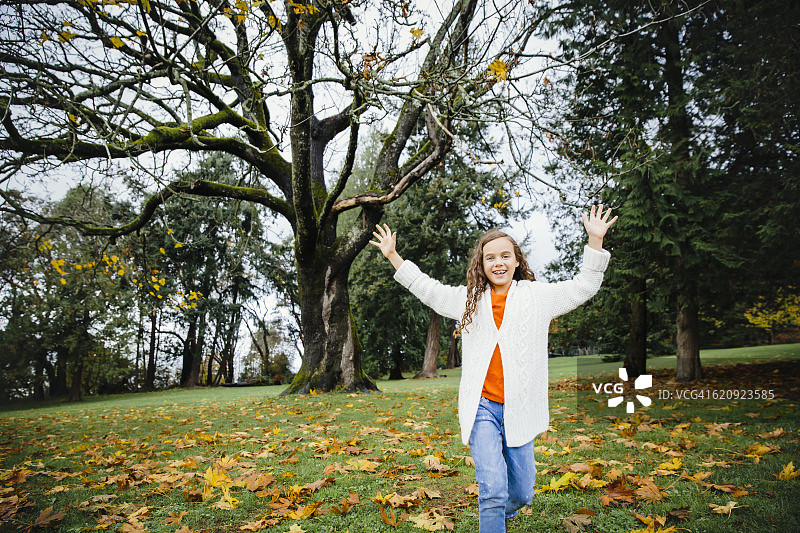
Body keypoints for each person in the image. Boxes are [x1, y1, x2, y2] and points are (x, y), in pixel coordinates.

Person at [369, 205, 618, 533]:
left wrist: (595, 242)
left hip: (520, 409)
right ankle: (494, 511)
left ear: (517, 261)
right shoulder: (469, 300)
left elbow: (583, 287)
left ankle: (502, 512)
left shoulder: (537, 297)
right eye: (490, 258)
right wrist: (393, 257)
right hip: (481, 408)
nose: (498, 262)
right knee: (493, 491)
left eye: (505, 256)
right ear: (481, 265)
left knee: (521, 493)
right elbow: (428, 290)